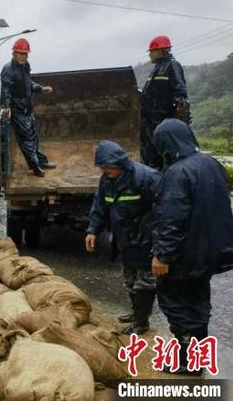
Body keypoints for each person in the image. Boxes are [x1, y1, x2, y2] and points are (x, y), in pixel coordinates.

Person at [152, 118, 233, 374]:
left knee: (177, 304)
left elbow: (172, 218)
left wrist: (162, 255)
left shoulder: (178, 172)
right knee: (198, 303)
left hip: (185, 255)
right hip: (209, 252)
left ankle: (188, 362)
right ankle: (197, 356)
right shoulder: (212, 164)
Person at [85, 140, 160, 335]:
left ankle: (142, 323)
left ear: (118, 163)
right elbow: (99, 205)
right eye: (101, 167)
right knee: (129, 279)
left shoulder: (145, 177)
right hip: (124, 238)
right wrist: (93, 230)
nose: (103, 170)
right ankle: (136, 313)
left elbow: (163, 210)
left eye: (106, 166)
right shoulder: (106, 180)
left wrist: (159, 241)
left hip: (146, 238)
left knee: (145, 281)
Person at [0, 38, 55, 177]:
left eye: (25, 54)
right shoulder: (8, 70)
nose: (23, 56)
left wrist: (41, 89)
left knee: (34, 137)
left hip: (27, 109)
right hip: (17, 111)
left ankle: (41, 161)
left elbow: (28, 83)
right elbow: (5, 91)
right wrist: (6, 108)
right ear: (14, 53)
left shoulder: (25, 66)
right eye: (20, 53)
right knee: (26, 140)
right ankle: (35, 167)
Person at [140, 35, 190, 170]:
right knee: (151, 155)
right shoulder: (157, 68)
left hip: (162, 121)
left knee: (163, 156)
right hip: (151, 122)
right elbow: (150, 93)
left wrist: (178, 119)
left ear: (160, 51)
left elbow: (180, 94)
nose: (149, 54)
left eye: (151, 51)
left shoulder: (172, 66)